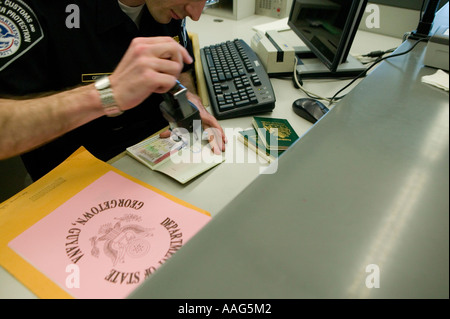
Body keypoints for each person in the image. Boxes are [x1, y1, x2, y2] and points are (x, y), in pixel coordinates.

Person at [0, 0, 226, 181]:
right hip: (73, 179)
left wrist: (188, 98)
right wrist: (107, 94)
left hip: (158, 161)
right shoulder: (34, 9)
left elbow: (179, 67)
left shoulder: (168, 7)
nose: (195, 14)